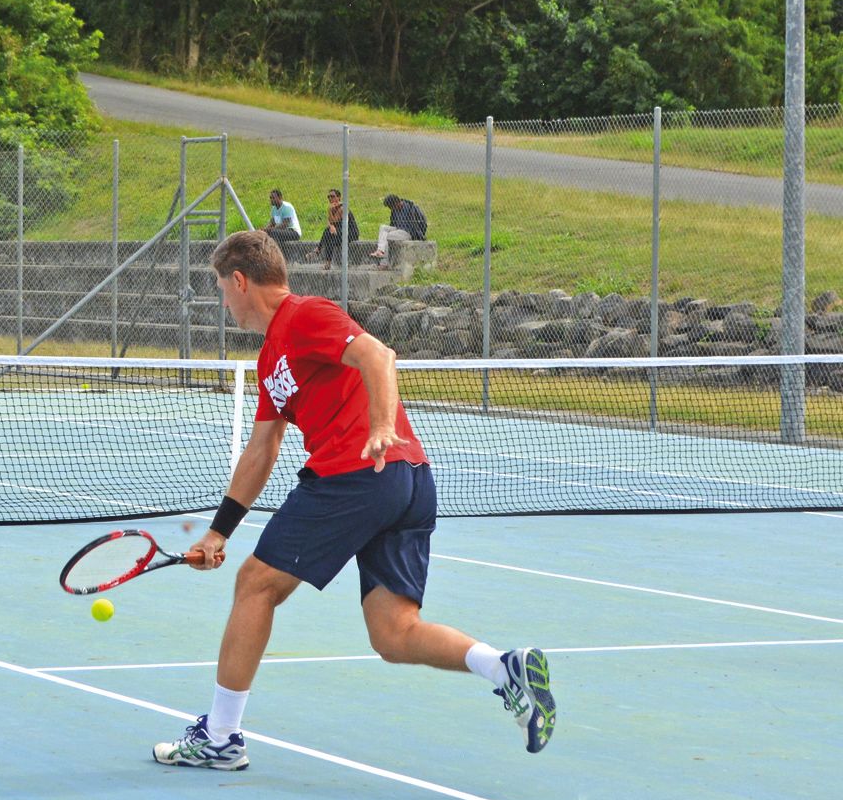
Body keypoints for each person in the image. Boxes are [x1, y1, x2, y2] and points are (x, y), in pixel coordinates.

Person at [151, 229, 555, 771]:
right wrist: (218, 531)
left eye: (223, 290)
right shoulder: (271, 359)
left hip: (357, 473)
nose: (224, 303)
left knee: (255, 585)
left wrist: (382, 425)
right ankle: (503, 668)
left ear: (240, 281)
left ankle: (221, 736)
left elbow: (378, 356)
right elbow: (262, 449)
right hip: (404, 482)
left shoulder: (305, 315)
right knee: (394, 633)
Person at [371, 192, 428, 263]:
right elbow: (393, 223)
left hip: (408, 232)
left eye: (391, 207)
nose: (391, 209)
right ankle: (380, 251)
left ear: (397, 203)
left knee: (388, 236)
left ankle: (384, 261)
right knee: (383, 227)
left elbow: (423, 222)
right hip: (398, 229)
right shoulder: (394, 210)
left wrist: (420, 234)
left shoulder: (411, 208)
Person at [315, 188, 359, 269]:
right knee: (328, 234)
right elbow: (329, 222)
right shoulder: (331, 208)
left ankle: (319, 249)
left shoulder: (343, 208)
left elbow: (343, 224)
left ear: (338, 198)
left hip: (350, 232)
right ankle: (326, 261)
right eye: (328, 197)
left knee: (329, 236)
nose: (330, 198)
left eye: (332, 196)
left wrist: (332, 226)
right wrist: (331, 226)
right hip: (339, 232)